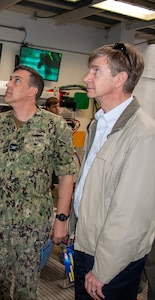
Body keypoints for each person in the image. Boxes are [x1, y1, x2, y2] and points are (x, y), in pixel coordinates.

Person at [0, 65, 77, 299]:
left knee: (26, 285)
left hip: (32, 221)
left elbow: (66, 174)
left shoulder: (55, 126)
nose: (8, 84)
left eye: (16, 80)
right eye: (10, 79)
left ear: (32, 91)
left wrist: (61, 218)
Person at [72, 43, 155, 300]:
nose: (87, 77)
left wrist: (104, 269)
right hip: (86, 244)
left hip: (112, 260)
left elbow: (131, 215)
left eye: (96, 70)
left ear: (120, 79)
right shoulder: (98, 123)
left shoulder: (143, 134)